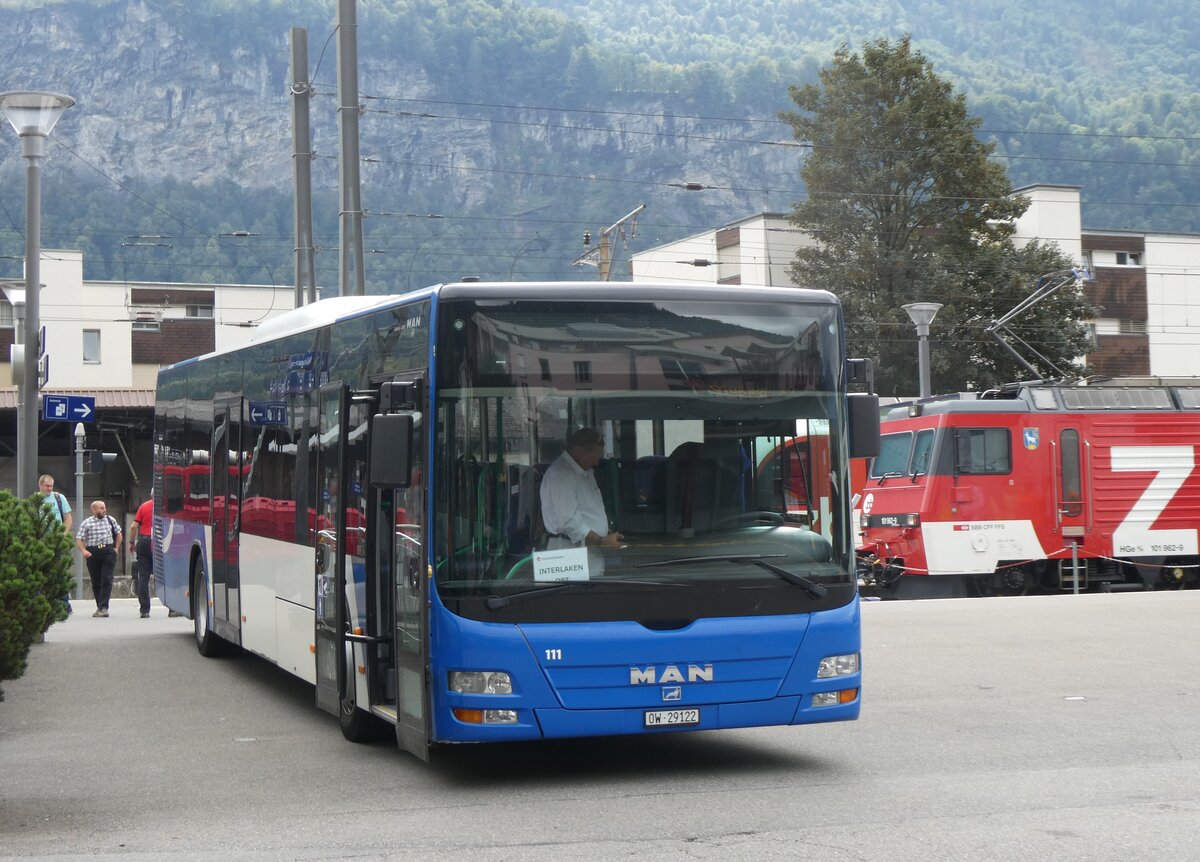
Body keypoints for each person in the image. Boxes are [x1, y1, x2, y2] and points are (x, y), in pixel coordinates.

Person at [539, 428, 623, 574]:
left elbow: (587, 512)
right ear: (578, 451)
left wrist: (606, 532)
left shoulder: (583, 472)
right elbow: (568, 522)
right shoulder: (561, 475)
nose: (597, 462)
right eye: (594, 456)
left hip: (585, 552)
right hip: (567, 554)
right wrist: (602, 541)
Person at [75, 500, 122, 618]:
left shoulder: (110, 520)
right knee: (96, 581)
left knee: (107, 579)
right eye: (101, 508)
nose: (104, 510)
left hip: (108, 551)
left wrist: (116, 548)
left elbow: (118, 534)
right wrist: (84, 551)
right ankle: (100, 606)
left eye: (104, 507)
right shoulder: (87, 523)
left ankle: (104, 607)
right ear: (94, 509)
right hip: (93, 552)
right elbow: (79, 538)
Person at [39, 474, 74, 615]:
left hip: (57, 540)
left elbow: (68, 518)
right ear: (40, 485)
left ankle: (64, 605)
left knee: (59, 572)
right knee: (42, 573)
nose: (49, 488)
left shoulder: (59, 498)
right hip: (42, 542)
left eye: (51, 486)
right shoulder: (36, 499)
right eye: (47, 486)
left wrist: (63, 534)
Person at [128, 497, 153, 618]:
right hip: (161, 541)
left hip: (145, 541)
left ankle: (144, 610)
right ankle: (172, 609)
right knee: (166, 575)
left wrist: (132, 543)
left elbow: (133, 526)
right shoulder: (167, 505)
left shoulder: (144, 506)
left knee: (143, 576)